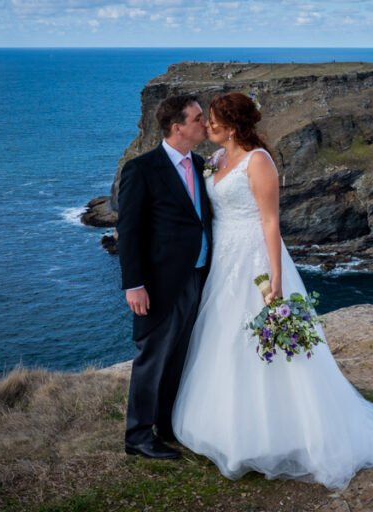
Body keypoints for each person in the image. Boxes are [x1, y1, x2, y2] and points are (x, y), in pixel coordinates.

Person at [172, 92, 373, 490]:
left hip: (254, 259)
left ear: (233, 124)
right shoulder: (219, 160)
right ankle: (227, 425)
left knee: (264, 342)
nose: (207, 126)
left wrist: (275, 278)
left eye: (212, 120)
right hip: (224, 261)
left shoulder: (258, 162)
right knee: (224, 338)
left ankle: (283, 431)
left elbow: (271, 222)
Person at [117, 94, 212, 459]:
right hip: (157, 283)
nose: (205, 123)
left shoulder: (201, 163)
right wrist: (134, 284)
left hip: (198, 277)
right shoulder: (142, 169)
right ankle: (138, 437)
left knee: (178, 356)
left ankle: (167, 426)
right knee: (152, 358)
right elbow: (130, 231)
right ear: (178, 127)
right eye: (198, 118)